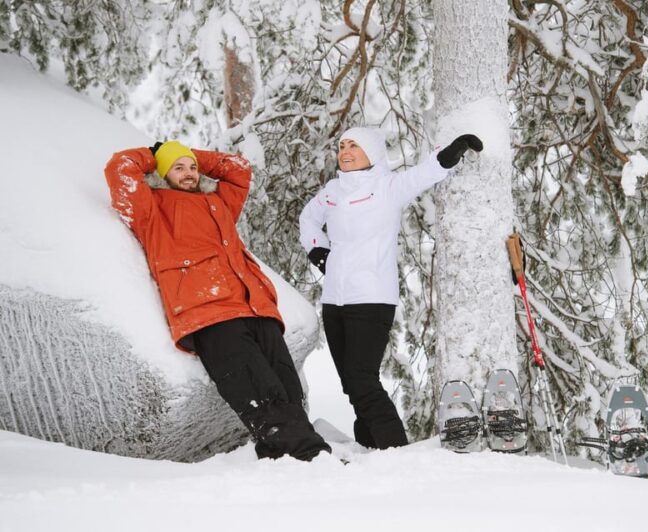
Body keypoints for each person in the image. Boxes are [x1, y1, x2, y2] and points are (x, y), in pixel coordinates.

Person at [105, 140, 331, 462]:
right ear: (161, 173)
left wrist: (191, 154)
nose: (189, 174)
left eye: (192, 168)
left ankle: (281, 460)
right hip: (210, 314)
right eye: (178, 168)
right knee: (259, 392)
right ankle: (312, 457)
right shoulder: (151, 209)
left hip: (256, 307)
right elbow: (119, 169)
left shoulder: (217, 203)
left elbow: (238, 170)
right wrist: (154, 156)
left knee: (288, 390)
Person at [299, 127, 482, 449]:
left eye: (353, 145)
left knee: (361, 378)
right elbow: (308, 219)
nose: (345, 151)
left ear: (371, 151)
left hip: (371, 298)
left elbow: (425, 173)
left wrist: (453, 150)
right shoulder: (333, 191)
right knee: (351, 383)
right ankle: (371, 444)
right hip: (334, 300)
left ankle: (394, 449)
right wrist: (318, 251)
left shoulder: (387, 187)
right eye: (341, 146)